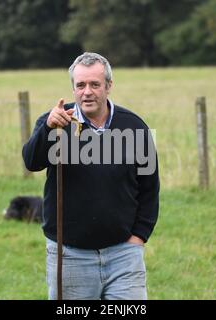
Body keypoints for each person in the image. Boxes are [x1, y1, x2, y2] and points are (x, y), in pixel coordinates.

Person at [22, 52, 159, 300]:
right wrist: (48, 130)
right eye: (80, 85)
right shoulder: (56, 122)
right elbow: (31, 162)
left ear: (108, 86)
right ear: (73, 89)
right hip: (69, 255)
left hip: (123, 255)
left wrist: (138, 237)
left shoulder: (134, 126)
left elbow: (150, 186)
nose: (87, 92)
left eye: (95, 84)